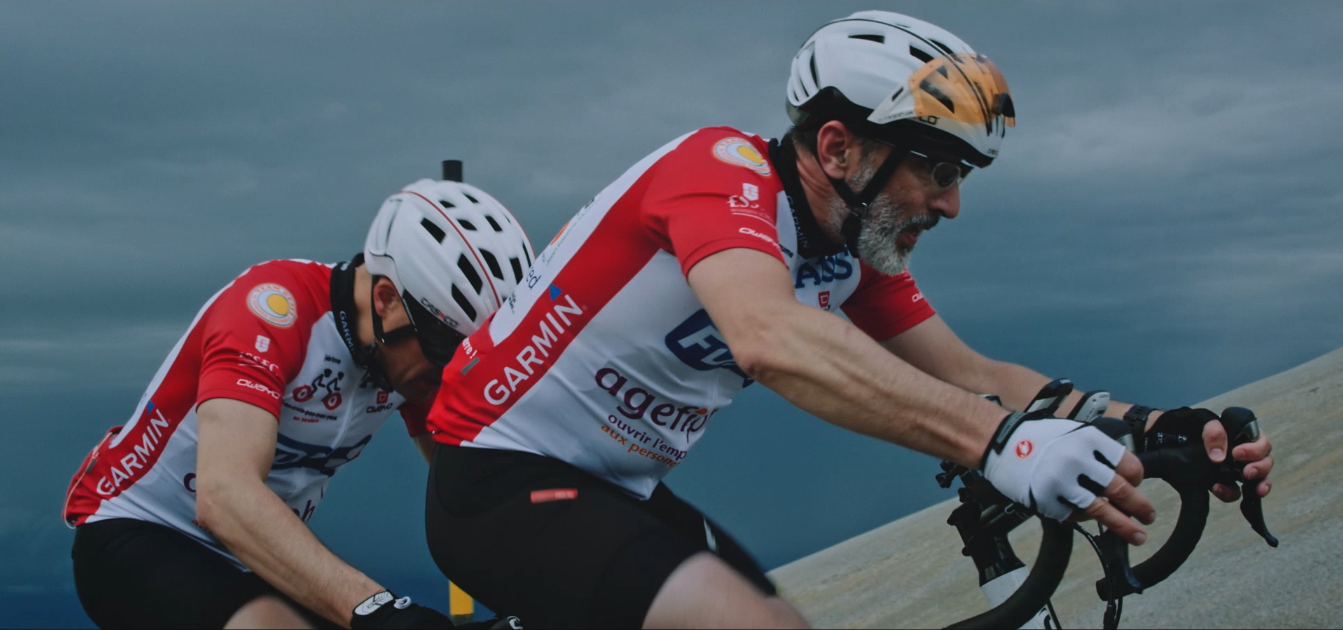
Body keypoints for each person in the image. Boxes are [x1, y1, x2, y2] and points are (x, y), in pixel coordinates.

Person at [420, 10, 1276, 630]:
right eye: (936, 170)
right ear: (837, 148)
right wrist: (1000, 443)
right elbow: (771, 338)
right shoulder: (717, 170)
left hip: (621, 491)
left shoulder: (846, 250)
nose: (949, 206)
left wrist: (1162, 424)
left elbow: (975, 376)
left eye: (962, 178)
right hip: (494, 474)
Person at [63, 170, 534, 629]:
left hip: (246, 560)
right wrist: (383, 612)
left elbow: (476, 492)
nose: (452, 371)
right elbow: (225, 495)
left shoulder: (406, 358)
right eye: (444, 349)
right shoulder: (272, 310)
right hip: (137, 531)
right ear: (387, 299)